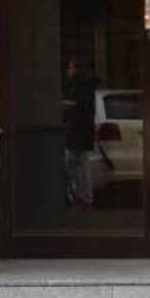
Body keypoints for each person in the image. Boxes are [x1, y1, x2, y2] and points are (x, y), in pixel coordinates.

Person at [62, 59, 98, 209]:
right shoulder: (76, 86)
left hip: (80, 134)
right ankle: (82, 196)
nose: (68, 71)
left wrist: (68, 105)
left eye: (71, 68)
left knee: (81, 167)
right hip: (77, 133)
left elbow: (81, 106)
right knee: (74, 165)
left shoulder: (83, 87)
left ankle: (86, 197)